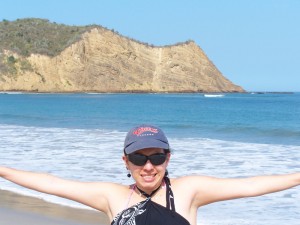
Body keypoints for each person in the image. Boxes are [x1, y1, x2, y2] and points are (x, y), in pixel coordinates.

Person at [0, 124, 299, 225]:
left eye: (157, 157)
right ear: (125, 161)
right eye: (137, 158)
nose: (148, 167)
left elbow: (250, 186)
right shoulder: (112, 196)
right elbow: (52, 184)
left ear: (168, 158)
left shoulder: (189, 190)